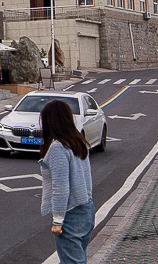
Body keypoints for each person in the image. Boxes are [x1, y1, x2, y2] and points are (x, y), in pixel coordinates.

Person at [39, 100, 95, 264]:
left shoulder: (58, 148)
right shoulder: (78, 142)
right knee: (77, 259)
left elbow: (60, 187)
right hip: (86, 209)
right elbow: (87, 179)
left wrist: (57, 221)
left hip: (71, 214)